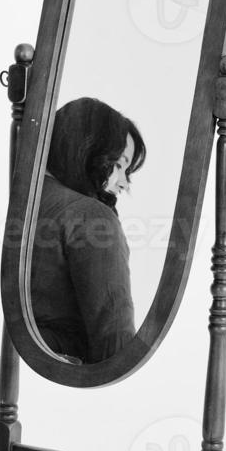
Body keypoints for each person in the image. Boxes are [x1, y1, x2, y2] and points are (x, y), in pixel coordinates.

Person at [28, 96, 146, 364]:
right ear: (87, 152)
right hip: (72, 386)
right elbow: (115, 345)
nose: (124, 184)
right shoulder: (91, 217)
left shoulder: (27, 198)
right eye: (118, 165)